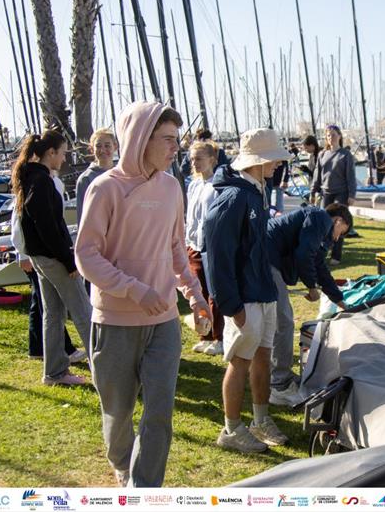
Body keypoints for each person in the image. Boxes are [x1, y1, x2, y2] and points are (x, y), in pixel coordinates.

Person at [75, 102, 210, 488]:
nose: (175, 148)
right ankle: (121, 463)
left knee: (159, 413)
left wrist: (195, 296)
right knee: (117, 413)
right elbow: (86, 255)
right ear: (139, 139)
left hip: (164, 321)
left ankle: (144, 490)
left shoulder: (171, 187)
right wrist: (134, 289)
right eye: (167, 139)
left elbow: (176, 248)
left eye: (176, 140)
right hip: (115, 323)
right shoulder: (105, 188)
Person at [204, 127, 289, 454]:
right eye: (273, 158)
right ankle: (231, 429)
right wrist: (231, 304)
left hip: (261, 292)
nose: (278, 164)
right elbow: (218, 255)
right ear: (258, 160)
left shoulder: (256, 190)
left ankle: (260, 419)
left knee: (263, 356)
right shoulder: (235, 196)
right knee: (240, 361)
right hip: (245, 298)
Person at [11, 130, 92, 386]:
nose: (64, 158)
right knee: (83, 311)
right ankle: (109, 372)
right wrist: (68, 260)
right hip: (52, 258)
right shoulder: (41, 181)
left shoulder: (33, 178)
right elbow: (47, 226)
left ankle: (55, 372)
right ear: (51, 152)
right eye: (63, 153)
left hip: (42, 257)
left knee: (54, 313)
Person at [266, 203, 352, 406]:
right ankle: (279, 385)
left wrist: (339, 300)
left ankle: (276, 375)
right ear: (338, 220)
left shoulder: (317, 224)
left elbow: (318, 265)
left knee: (275, 321)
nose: (337, 238)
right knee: (284, 322)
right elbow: (304, 254)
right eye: (342, 232)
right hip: (266, 260)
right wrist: (311, 287)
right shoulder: (320, 218)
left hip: (267, 258)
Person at [184, 141, 223, 355]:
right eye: (192, 159)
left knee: (214, 293)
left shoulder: (218, 186)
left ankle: (219, 336)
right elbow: (191, 217)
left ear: (212, 159)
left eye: (199, 158)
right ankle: (205, 334)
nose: (195, 163)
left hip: (210, 245)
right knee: (199, 291)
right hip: (193, 245)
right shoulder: (193, 185)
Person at [310, 124, 356, 265]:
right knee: (324, 223)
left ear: (340, 136)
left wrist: (352, 194)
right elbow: (317, 175)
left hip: (341, 193)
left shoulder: (345, 155)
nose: (331, 138)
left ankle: (336, 256)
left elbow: (351, 176)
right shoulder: (322, 154)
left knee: (338, 223)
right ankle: (323, 252)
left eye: (334, 135)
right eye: (328, 135)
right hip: (325, 193)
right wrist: (313, 192)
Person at [76, 129, 117, 225]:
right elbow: (82, 215)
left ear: (115, 146)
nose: (102, 150)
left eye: (107, 145)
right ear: (92, 149)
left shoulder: (123, 175)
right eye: (98, 146)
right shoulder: (86, 179)